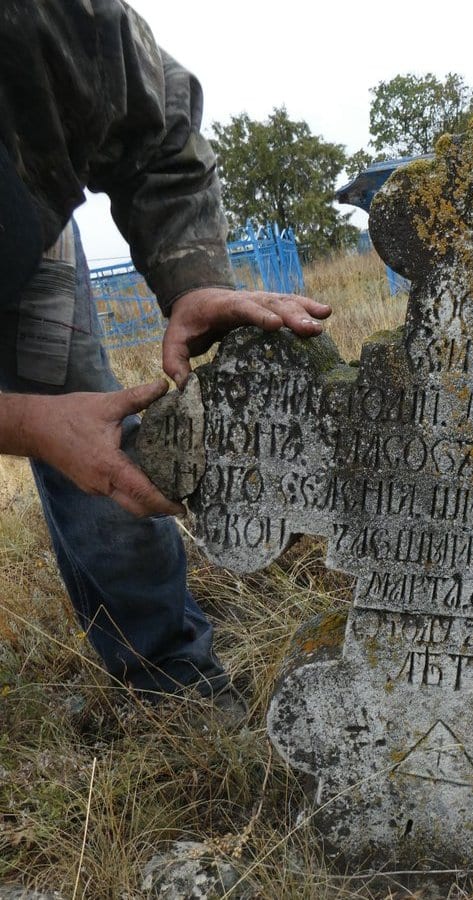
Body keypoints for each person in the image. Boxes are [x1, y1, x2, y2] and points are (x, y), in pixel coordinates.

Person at [0, 0, 331, 706]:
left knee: (107, 462)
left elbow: (159, 136)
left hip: (26, 244)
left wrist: (195, 277)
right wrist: (28, 424)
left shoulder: (58, 22)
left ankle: (169, 676)